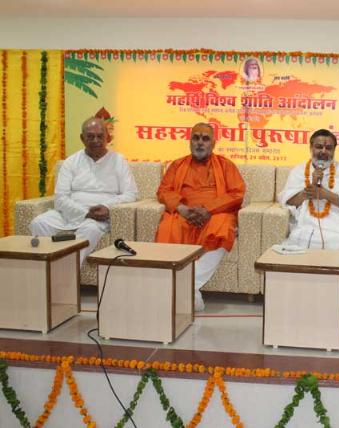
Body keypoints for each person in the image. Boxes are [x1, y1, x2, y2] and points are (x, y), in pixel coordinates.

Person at [155, 122, 246, 311]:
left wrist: (208, 209)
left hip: (215, 214)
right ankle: (187, 290)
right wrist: (181, 209)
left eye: (205, 139)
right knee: (167, 226)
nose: (200, 143)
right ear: (189, 141)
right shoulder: (178, 165)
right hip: (184, 213)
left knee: (223, 228)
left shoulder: (225, 165)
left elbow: (237, 194)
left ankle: (187, 286)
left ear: (213, 143)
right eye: (195, 138)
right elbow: (164, 191)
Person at [29, 117, 138, 265]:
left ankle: (66, 272)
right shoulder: (71, 162)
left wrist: (107, 206)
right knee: (39, 223)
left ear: (108, 137)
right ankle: (48, 269)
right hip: (69, 213)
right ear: (82, 138)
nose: (95, 140)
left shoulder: (118, 160)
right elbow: (61, 197)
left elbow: (131, 193)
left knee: (89, 229)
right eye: (90, 136)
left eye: (100, 136)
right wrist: (85, 211)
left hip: (98, 217)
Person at [279, 129, 339, 251]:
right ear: (311, 148)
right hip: (307, 222)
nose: (323, 151)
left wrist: (326, 194)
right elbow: (288, 201)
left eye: (328, 148)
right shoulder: (298, 171)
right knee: (298, 238)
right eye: (319, 147)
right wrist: (308, 191)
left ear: (334, 150)